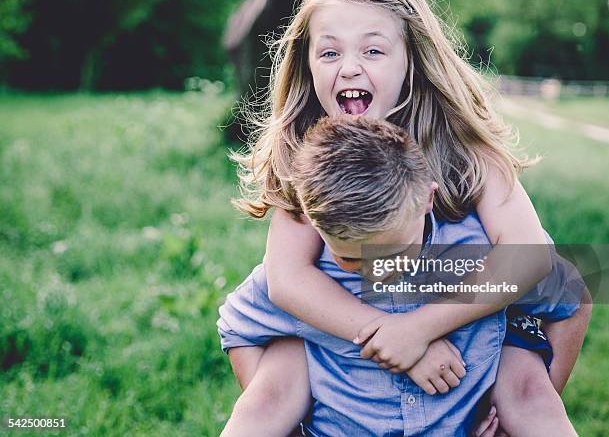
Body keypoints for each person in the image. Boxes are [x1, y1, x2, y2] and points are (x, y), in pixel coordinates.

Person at [224, 0, 590, 435]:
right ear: (307, 62)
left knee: (532, 377)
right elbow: (287, 280)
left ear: (411, 60)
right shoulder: (305, 159)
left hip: (470, 331)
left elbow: (529, 260)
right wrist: (389, 335)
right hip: (348, 347)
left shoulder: (467, 153)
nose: (349, 66)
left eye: (373, 50)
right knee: (275, 380)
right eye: (329, 51)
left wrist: (419, 329)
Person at [219, 117, 590, 436]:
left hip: (461, 422)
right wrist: (285, 406)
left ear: (428, 200)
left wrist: (528, 400)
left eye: (395, 253)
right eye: (349, 258)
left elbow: (573, 295)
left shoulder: (469, 256)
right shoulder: (308, 279)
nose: (375, 271)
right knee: (267, 394)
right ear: (315, 226)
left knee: (532, 395)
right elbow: (237, 326)